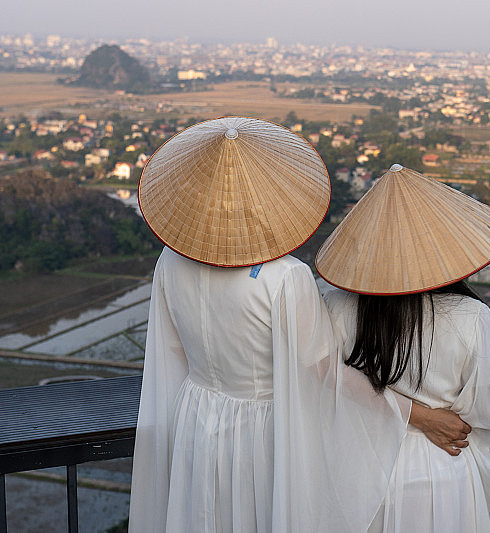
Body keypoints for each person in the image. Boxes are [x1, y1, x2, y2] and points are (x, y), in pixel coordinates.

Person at [128, 118, 470, 532]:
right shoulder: (285, 276)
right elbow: (325, 374)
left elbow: (171, 351)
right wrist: (418, 414)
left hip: (196, 416)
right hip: (264, 429)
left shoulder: (170, 259)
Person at [315, 164, 490, 533]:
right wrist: (431, 418)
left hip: (355, 468)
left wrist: (406, 412)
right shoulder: (471, 317)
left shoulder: (334, 304)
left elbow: (327, 382)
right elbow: (489, 415)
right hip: (440, 470)